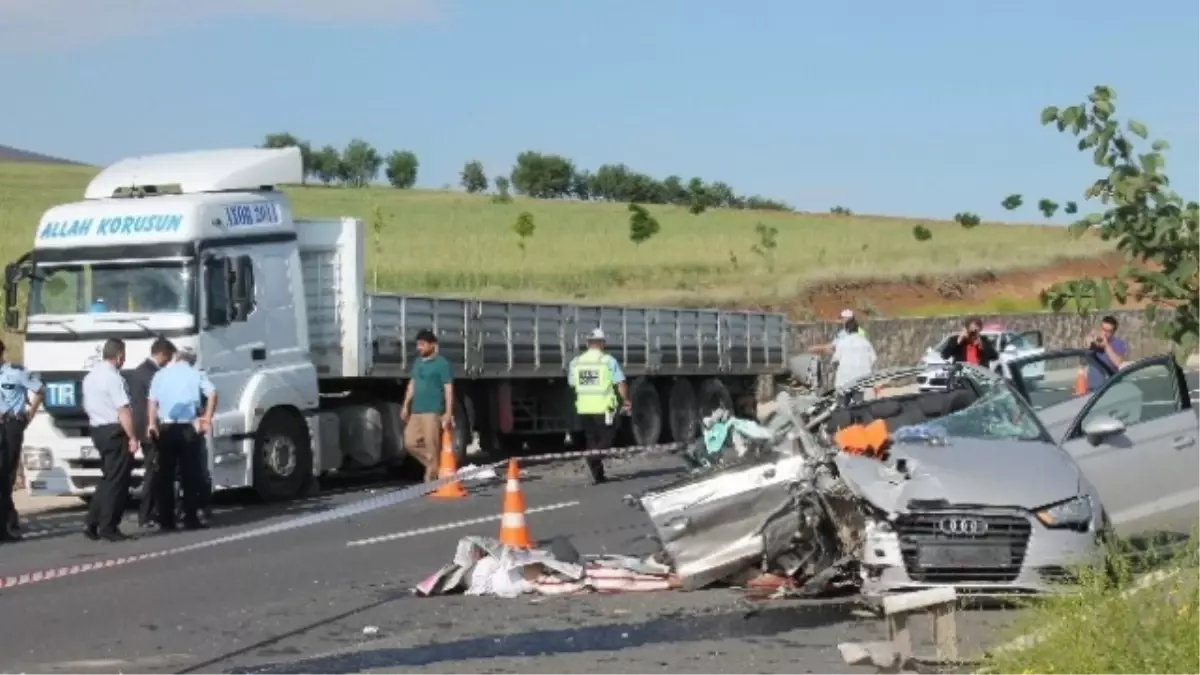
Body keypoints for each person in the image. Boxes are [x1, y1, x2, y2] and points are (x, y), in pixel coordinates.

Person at [147, 346, 216, 531]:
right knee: (190, 474)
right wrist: (207, 418)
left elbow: (152, 401)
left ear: (177, 358)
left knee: (165, 475)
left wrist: (152, 424)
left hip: (166, 427)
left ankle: (166, 520)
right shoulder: (195, 374)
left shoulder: (160, 375)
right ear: (192, 360)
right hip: (187, 427)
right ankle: (190, 517)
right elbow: (212, 393)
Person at [81, 338, 138, 542]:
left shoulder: (90, 377)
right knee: (118, 482)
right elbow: (123, 410)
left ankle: (92, 522)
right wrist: (132, 436)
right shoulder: (114, 378)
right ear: (119, 355)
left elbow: (86, 406)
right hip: (115, 431)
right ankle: (109, 526)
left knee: (107, 479)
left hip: (98, 430)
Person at [568, 328, 631, 485]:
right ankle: (592, 458)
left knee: (591, 440)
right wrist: (626, 400)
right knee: (607, 439)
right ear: (602, 343)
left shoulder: (576, 362)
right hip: (603, 408)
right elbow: (620, 383)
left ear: (588, 343)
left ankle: (598, 476)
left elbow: (572, 383)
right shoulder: (608, 361)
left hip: (584, 408)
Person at [127, 337, 176, 529]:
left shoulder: (139, 371)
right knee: (153, 472)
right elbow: (155, 401)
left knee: (154, 470)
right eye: (168, 358)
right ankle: (146, 513)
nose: (168, 362)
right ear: (162, 354)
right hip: (150, 428)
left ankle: (153, 511)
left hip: (141, 426)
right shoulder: (153, 374)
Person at [0, 340, 43, 542]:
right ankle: (9, 517)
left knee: (6, 474)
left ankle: (7, 522)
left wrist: (29, 414)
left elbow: (39, 389)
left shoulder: (14, 372)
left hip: (10, 425)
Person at [400, 329, 454, 482]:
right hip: (417, 410)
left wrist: (448, 412)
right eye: (418, 345)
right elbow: (412, 384)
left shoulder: (442, 364)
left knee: (431, 443)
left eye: (422, 344)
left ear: (433, 345)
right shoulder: (417, 363)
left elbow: (448, 388)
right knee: (409, 442)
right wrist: (405, 405)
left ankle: (431, 480)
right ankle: (434, 463)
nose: (419, 348)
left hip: (433, 410)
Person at [831, 325, 877, 401]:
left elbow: (835, 360)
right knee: (858, 406)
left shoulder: (842, 342)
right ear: (857, 331)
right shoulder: (865, 342)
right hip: (860, 380)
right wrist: (865, 367)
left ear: (848, 331)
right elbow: (873, 358)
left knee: (842, 406)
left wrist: (838, 370)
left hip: (844, 380)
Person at [1086, 315, 1128, 391]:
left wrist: (1106, 346)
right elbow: (1086, 345)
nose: (1105, 333)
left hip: (1109, 387)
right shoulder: (1094, 340)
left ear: (1113, 332)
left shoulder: (1119, 343)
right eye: (1103, 329)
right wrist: (1091, 339)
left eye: (1108, 331)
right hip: (1092, 386)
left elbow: (1118, 363)